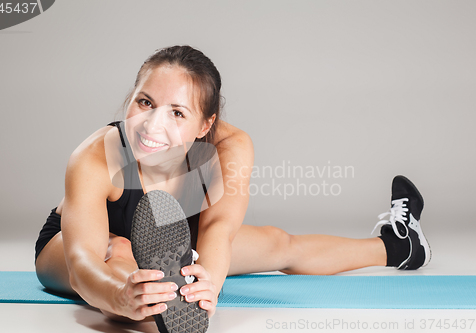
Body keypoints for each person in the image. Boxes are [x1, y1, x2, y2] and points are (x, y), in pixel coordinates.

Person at [35, 45, 431, 331]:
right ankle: (149, 307)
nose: (153, 125)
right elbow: (82, 263)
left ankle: (399, 246)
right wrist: (117, 294)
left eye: (177, 113)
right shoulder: (94, 157)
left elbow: (218, 228)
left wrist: (209, 284)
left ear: (205, 125)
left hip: (174, 236)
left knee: (278, 242)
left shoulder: (229, 146)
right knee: (117, 250)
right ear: (131, 99)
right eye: (144, 102)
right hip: (82, 244)